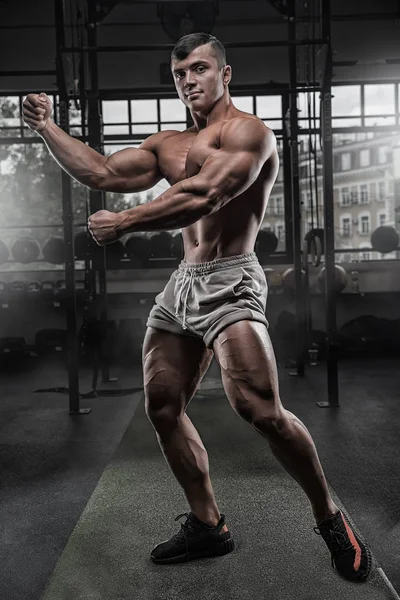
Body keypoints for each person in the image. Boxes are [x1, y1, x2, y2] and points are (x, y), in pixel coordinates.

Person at [22, 32, 371, 582]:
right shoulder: (168, 144)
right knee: (161, 404)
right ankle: (209, 526)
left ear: (224, 74)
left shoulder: (249, 133)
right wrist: (46, 127)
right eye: (181, 73)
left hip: (233, 280)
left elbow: (205, 195)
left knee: (260, 410)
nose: (189, 81)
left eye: (200, 69)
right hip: (184, 283)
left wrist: (126, 222)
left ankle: (330, 517)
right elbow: (101, 173)